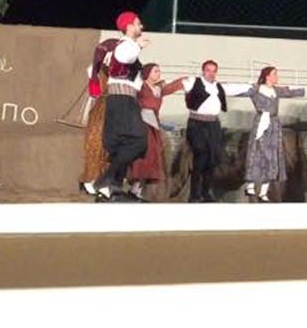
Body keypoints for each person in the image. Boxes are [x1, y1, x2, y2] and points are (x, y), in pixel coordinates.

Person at [230, 66, 307, 203]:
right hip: (262, 123)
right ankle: (250, 186)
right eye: (274, 74)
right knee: (257, 153)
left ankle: (264, 192)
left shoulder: (276, 90)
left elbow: (291, 91)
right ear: (267, 76)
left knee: (272, 156)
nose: (277, 76)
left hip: (274, 124)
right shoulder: (256, 89)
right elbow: (239, 91)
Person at [93, 11, 150, 202]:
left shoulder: (126, 45)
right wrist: (137, 45)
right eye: (138, 23)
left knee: (123, 144)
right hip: (122, 99)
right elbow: (125, 58)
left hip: (124, 99)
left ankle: (113, 190)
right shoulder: (125, 45)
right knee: (139, 141)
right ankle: (105, 180)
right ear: (129, 26)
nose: (141, 27)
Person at [180, 60, 250, 202]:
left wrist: (255, 86)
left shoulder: (219, 86)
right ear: (203, 71)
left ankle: (206, 192)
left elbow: (237, 88)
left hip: (213, 124)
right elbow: (177, 84)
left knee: (212, 159)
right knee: (201, 155)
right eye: (208, 70)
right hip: (197, 123)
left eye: (213, 71)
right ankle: (194, 194)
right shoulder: (194, 82)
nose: (211, 73)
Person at [126, 63, 187, 201]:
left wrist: (184, 81)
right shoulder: (141, 87)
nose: (158, 73)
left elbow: (171, 87)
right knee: (143, 157)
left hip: (154, 126)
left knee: (153, 158)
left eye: (159, 71)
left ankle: (138, 190)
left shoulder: (158, 89)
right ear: (147, 73)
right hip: (142, 126)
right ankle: (135, 188)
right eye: (155, 71)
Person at [79, 36, 120, 196]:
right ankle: (94, 180)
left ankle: (104, 181)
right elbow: (95, 92)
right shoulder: (99, 70)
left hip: (114, 106)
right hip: (104, 107)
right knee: (98, 144)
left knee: (111, 148)